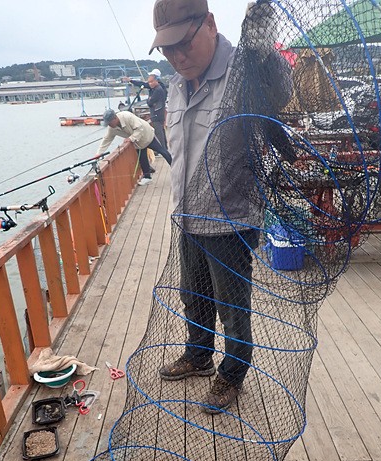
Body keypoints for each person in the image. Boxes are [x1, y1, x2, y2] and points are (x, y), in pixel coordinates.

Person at [149, 0, 293, 412]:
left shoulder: (244, 69)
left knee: (232, 307)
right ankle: (198, 355)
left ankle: (232, 374)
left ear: (210, 24)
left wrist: (263, 39)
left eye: (184, 43)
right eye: (168, 49)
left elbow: (280, 89)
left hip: (230, 218)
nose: (177, 56)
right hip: (187, 214)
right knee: (192, 294)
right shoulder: (175, 85)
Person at [98, 109, 171, 186]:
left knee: (162, 151)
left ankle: (174, 166)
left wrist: (131, 138)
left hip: (147, 135)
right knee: (142, 159)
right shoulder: (112, 128)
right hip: (138, 142)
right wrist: (99, 153)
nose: (109, 125)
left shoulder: (127, 116)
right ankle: (147, 177)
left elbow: (140, 128)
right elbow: (107, 139)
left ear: (115, 118)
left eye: (109, 123)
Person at [124, 73, 169, 153]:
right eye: (149, 82)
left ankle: (163, 150)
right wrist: (131, 81)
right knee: (161, 131)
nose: (150, 84)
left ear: (156, 80)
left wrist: (149, 99)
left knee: (159, 133)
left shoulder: (158, 90)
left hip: (157, 114)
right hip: (159, 113)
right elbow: (143, 84)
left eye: (151, 82)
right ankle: (164, 148)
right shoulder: (156, 88)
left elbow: (150, 102)